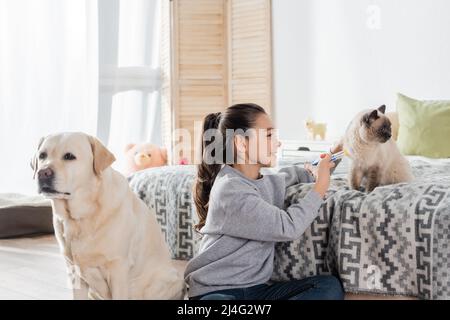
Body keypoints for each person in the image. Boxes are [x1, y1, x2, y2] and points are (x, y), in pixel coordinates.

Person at [185, 103, 344, 300]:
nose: (277, 143)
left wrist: (335, 153)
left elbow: (299, 173)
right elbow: (288, 226)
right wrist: (320, 186)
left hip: (256, 291)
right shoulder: (230, 190)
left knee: (328, 286)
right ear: (241, 144)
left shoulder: (264, 180)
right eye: (269, 136)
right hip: (216, 291)